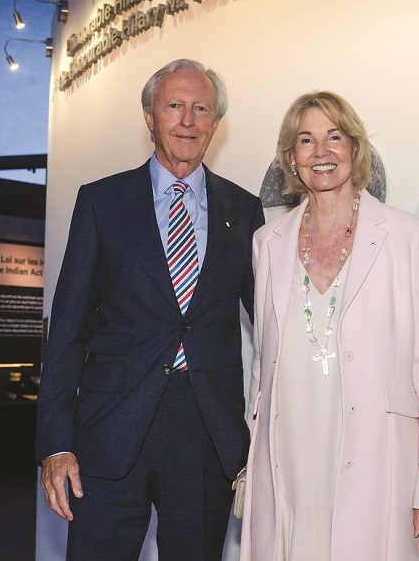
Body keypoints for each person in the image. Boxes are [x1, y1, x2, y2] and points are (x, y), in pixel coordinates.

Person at [36, 58, 264, 561]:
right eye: (174, 106)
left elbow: (272, 324)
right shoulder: (101, 202)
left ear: (215, 124)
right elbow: (67, 330)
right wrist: (55, 443)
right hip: (109, 431)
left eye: (201, 108)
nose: (187, 120)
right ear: (149, 116)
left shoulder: (244, 211)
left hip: (205, 433)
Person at [241, 91, 419, 560]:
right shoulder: (266, 243)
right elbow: (262, 364)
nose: (321, 152)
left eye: (334, 137)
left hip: (377, 453)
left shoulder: (405, 234)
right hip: (289, 451)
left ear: (355, 149)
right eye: (306, 140)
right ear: (290, 159)